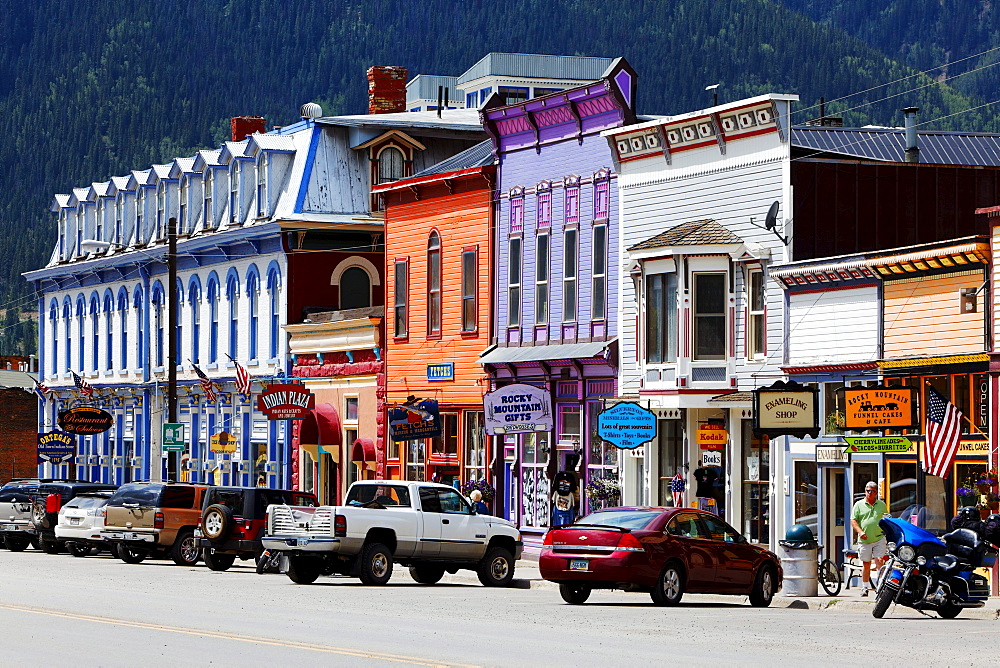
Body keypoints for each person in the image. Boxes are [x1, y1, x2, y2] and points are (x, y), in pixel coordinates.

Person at [851, 480, 888, 597]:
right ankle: (865, 587)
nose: (869, 493)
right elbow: (853, 520)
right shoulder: (858, 504)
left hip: (879, 538)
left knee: (879, 561)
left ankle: (881, 586)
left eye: (872, 491)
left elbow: (886, 519)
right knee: (866, 564)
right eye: (867, 491)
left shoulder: (881, 505)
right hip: (864, 540)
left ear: (876, 492)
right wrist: (860, 532)